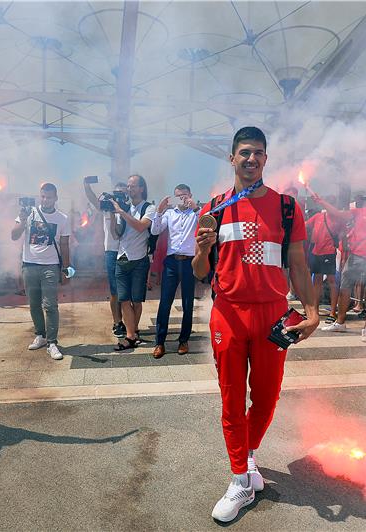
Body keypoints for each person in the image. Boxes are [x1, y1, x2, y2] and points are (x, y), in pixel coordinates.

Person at [192, 127, 318, 522]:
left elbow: (297, 264)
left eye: (258, 154)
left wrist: (312, 310)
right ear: (232, 159)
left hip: (272, 315)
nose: (251, 160)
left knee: (266, 397)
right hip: (228, 313)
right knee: (231, 398)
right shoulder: (213, 208)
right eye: (244, 153)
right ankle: (239, 480)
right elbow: (199, 272)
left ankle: (247, 458)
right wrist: (202, 250)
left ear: (266, 159)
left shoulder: (286, 207)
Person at [314, 190, 366, 342]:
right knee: (345, 288)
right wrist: (321, 201)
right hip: (356, 256)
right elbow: (339, 214)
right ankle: (340, 322)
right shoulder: (359, 211)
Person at [11, 182, 71, 361]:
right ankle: (41, 335)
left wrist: (66, 269)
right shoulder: (29, 213)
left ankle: (52, 342)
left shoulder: (63, 218)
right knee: (34, 304)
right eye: (43, 197)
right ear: (40, 196)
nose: (46, 200)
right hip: (29, 264)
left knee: (50, 305)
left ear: (56, 198)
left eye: (49, 197)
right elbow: (14, 235)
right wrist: (22, 219)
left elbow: (65, 244)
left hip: (51, 266)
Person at [150, 184, 199, 359]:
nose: (182, 199)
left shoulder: (196, 213)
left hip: (189, 262)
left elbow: (207, 224)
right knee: (165, 303)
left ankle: (183, 340)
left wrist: (196, 208)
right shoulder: (170, 214)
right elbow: (155, 230)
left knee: (188, 303)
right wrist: (159, 211)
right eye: (179, 196)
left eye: (185, 196)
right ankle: (159, 342)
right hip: (171, 261)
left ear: (191, 195)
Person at [110, 174, 156, 351]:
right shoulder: (125, 208)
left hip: (139, 260)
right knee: (123, 299)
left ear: (142, 188)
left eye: (133, 186)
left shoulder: (148, 208)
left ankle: (134, 333)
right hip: (122, 258)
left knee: (136, 301)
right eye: (128, 186)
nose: (129, 189)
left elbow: (140, 226)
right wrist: (113, 215)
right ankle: (130, 336)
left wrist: (122, 212)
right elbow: (116, 234)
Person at [84, 178, 128, 338]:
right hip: (111, 252)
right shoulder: (107, 207)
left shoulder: (130, 208)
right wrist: (86, 185)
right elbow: (93, 199)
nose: (119, 197)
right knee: (115, 291)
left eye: (123, 194)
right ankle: (117, 322)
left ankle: (129, 323)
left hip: (128, 252)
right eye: (117, 194)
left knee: (127, 292)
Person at [305, 203, 340, 316]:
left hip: (329, 252)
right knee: (317, 280)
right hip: (316, 252)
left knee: (331, 281)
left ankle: (333, 312)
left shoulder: (336, 218)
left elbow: (341, 234)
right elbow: (306, 225)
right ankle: (315, 310)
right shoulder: (318, 216)